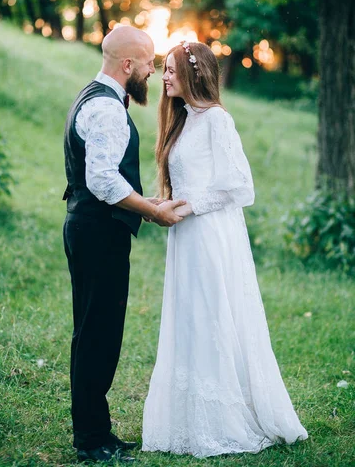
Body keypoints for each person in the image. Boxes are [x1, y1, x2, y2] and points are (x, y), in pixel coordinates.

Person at [142, 41, 308, 457]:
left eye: (171, 71)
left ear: (194, 75)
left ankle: (225, 416)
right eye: (163, 70)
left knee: (210, 317)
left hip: (210, 235)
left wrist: (191, 205)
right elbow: (186, 181)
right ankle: (189, 416)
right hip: (186, 237)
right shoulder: (182, 121)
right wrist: (162, 203)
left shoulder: (217, 120)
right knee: (190, 319)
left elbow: (242, 188)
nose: (164, 77)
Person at [62, 26, 186, 464]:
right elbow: (101, 180)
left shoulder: (93, 95)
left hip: (90, 226)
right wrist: (153, 212)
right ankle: (93, 440)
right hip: (98, 232)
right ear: (128, 64)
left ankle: (96, 430)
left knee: (93, 331)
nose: (152, 73)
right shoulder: (108, 109)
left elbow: (107, 176)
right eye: (149, 63)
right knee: (98, 334)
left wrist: (143, 199)